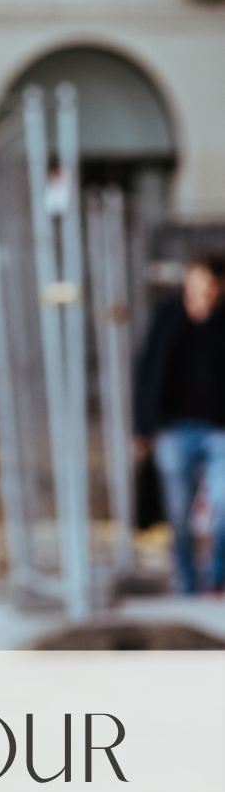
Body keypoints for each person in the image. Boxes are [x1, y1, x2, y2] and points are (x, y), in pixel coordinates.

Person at [134, 250, 225, 594]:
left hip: (219, 429)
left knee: (223, 510)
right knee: (179, 517)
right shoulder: (168, 315)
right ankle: (187, 585)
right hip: (173, 429)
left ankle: (217, 577)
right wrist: (143, 427)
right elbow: (148, 372)